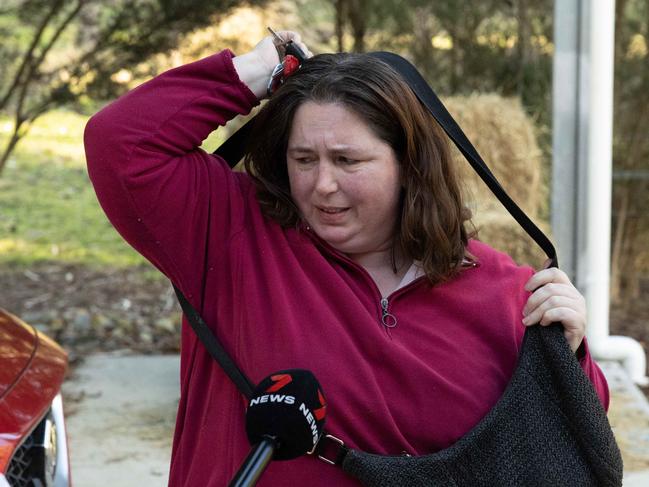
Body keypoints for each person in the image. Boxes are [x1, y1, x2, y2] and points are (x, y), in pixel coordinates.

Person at [84, 31, 609, 486]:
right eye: (304, 159)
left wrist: (568, 349)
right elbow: (120, 144)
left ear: (409, 165)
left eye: (348, 160)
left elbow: (568, 441)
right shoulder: (231, 233)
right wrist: (252, 73)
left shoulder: (503, 292)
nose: (323, 185)